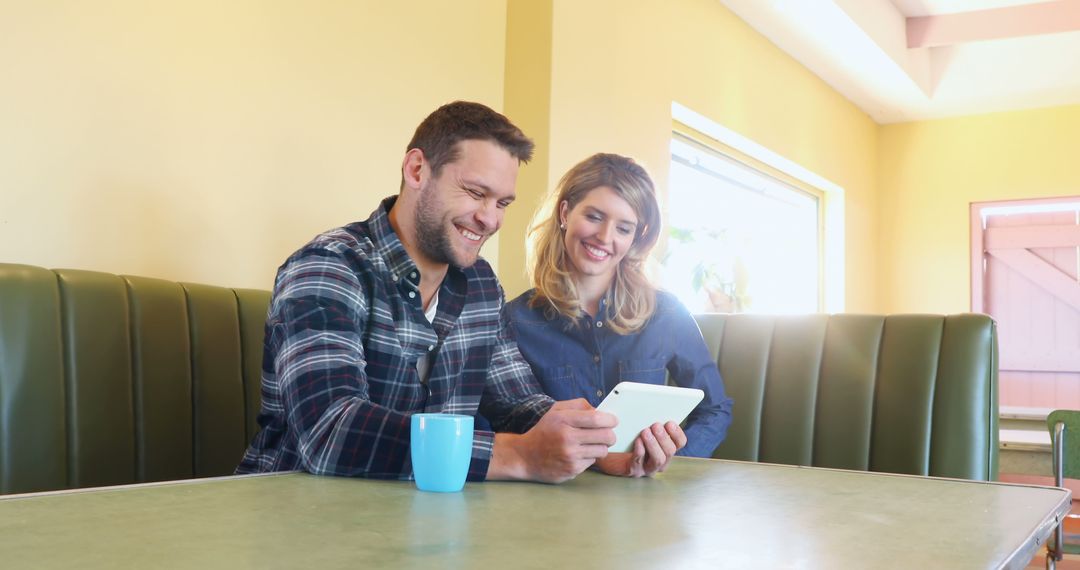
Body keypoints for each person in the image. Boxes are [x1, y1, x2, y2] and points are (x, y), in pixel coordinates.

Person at [236, 101, 618, 484]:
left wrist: (596, 442)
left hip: (420, 522)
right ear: (417, 169)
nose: (490, 219)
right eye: (474, 192)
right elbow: (330, 431)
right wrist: (518, 456)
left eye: (502, 203)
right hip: (296, 520)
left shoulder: (482, 286)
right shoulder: (328, 267)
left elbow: (518, 403)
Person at [504, 153, 733, 478]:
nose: (605, 237)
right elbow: (500, 419)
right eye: (595, 216)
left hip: (645, 502)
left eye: (624, 228)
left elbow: (715, 408)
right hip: (552, 498)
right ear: (565, 212)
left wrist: (669, 461)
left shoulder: (667, 313)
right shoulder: (515, 321)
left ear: (636, 237)